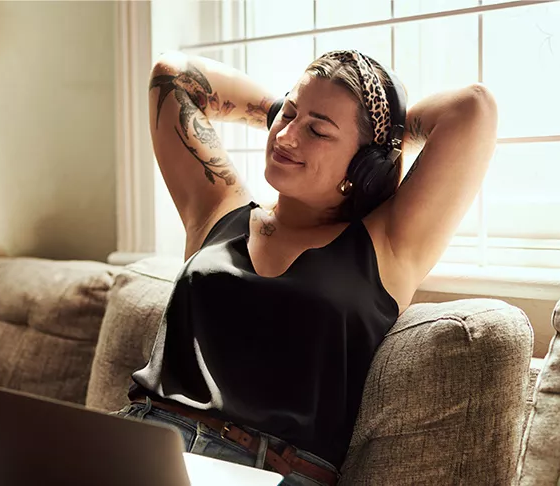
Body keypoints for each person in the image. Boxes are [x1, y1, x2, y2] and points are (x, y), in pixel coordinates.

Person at [111, 48, 498, 486]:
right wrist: (292, 112)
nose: (287, 137)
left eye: (317, 131)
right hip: (144, 439)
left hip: (269, 470)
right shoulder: (218, 210)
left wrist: (383, 133)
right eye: (287, 114)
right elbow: (174, 75)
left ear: (366, 162)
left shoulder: (387, 245)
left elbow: (473, 109)